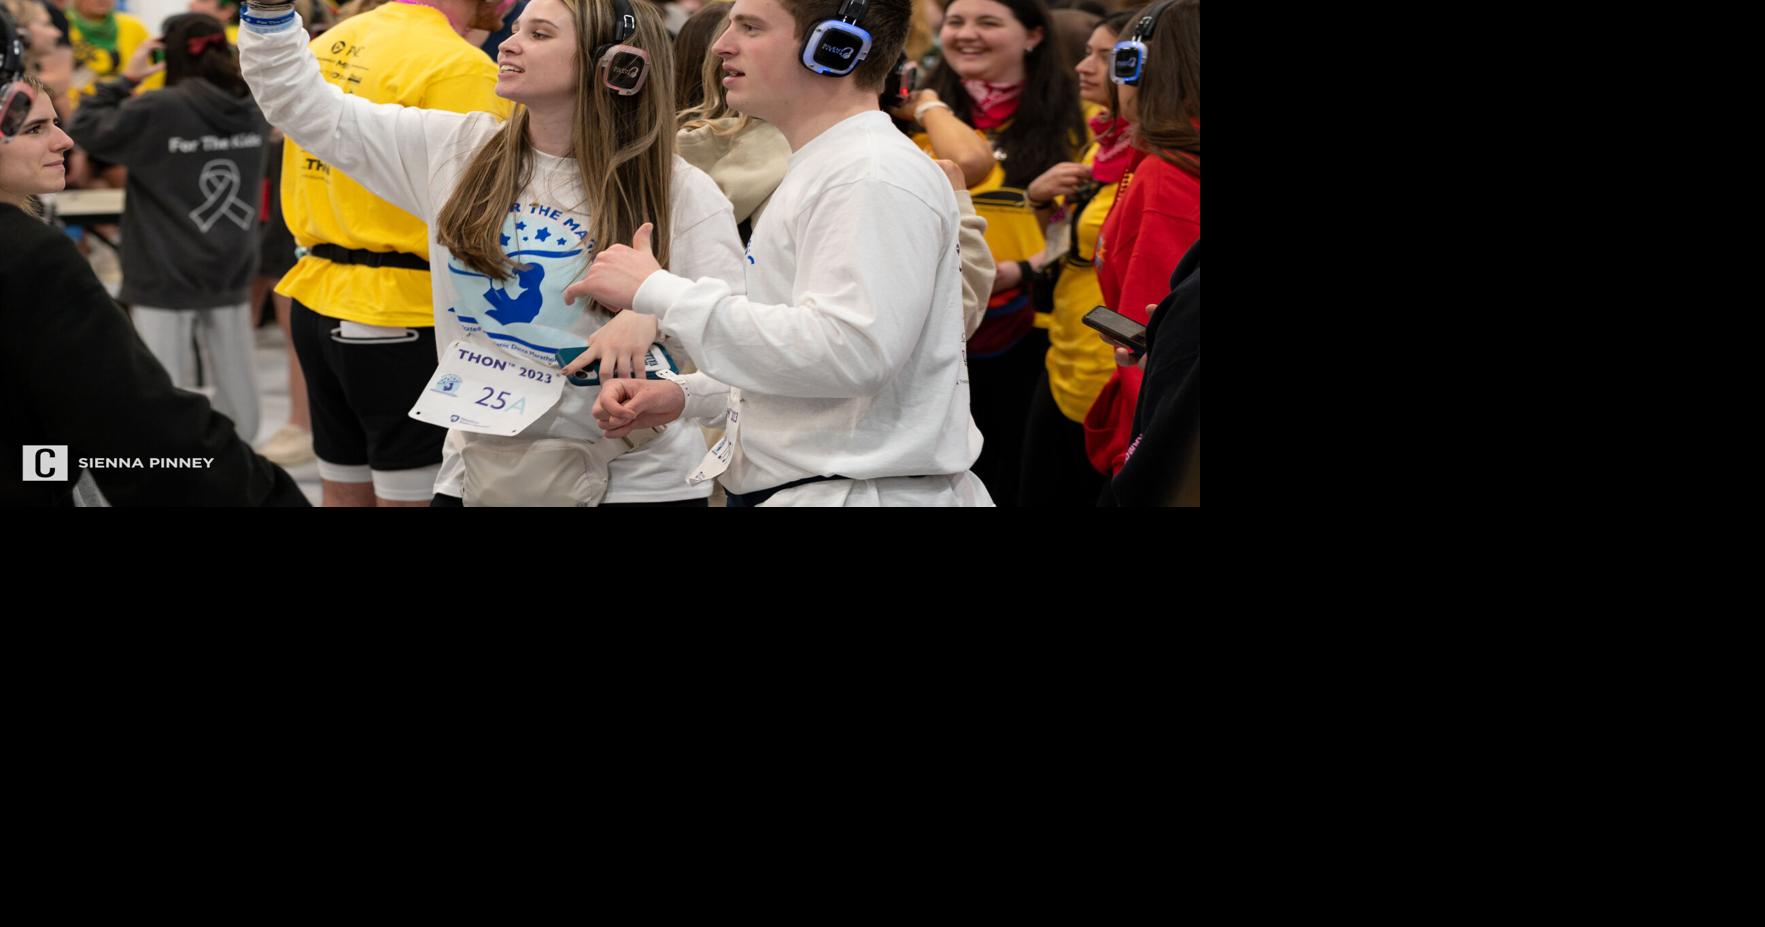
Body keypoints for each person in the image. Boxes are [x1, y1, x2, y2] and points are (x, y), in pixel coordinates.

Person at [239, 0, 746, 506]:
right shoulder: (455, 152)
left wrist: (671, 372)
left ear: (618, 66)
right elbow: (300, 105)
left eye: (541, 34)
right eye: (517, 27)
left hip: (636, 484)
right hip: (478, 475)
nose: (508, 42)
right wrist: (268, 11)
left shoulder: (681, 193)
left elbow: (736, 367)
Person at [578, 0, 991, 506]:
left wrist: (659, 291)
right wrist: (691, 395)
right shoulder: (833, 165)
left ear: (835, 49)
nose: (720, 45)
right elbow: (815, 360)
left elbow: (853, 353)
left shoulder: (867, 174)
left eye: (750, 27)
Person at [1, 75, 308, 506]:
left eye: (55, 123)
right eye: (35, 128)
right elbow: (140, 433)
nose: (64, 140)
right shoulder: (30, 256)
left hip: (184, 273)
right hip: (206, 272)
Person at [250, 0, 511, 506]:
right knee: (413, 495)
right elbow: (483, 212)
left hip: (317, 298)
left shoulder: (329, 43)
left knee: (342, 486)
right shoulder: (460, 67)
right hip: (404, 310)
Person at [67, 12, 270, 444]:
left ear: (168, 53)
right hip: (232, 262)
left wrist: (126, 77)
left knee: (162, 384)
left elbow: (83, 129)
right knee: (240, 381)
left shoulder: (159, 108)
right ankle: (242, 465)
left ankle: (171, 471)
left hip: (165, 265)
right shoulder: (253, 105)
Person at [914, 0, 1084, 503]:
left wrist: (1025, 268)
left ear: (1032, 35)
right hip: (931, 322)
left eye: (988, 22)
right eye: (957, 22)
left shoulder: (1078, 117)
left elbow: (1087, 229)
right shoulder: (912, 115)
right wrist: (925, 107)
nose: (968, 35)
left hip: (1032, 327)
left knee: (1013, 472)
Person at [1015, 7, 1126, 504]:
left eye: (1106, 58)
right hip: (1064, 358)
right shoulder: (1104, 142)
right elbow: (1069, 251)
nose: (1083, 67)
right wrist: (1039, 201)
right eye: (1087, 53)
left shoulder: (1162, 163)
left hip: (1112, 380)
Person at [1082, 0, 1196, 479]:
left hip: (1163, 442)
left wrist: (1135, 463)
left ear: (1139, 66)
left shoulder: (1168, 174)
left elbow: (1158, 346)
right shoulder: (1168, 160)